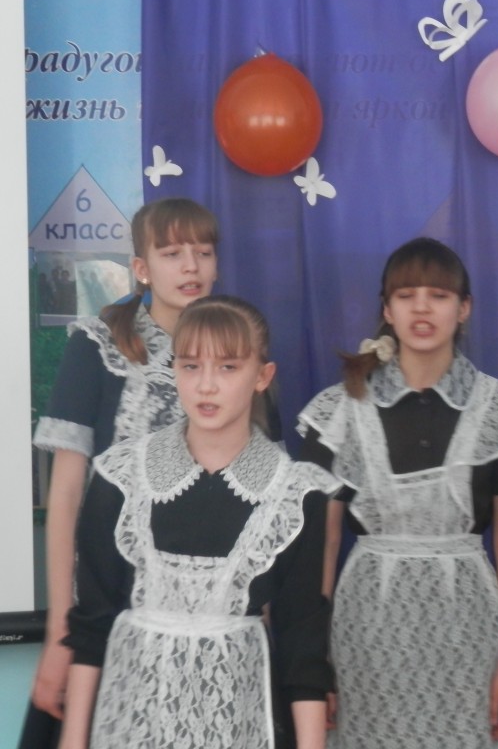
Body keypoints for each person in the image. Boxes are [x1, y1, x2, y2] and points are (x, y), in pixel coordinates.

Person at [297, 236, 498, 748]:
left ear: (464, 308)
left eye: (438, 295)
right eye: (407, 295)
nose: (422, 309)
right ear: (387, 310)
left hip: (469, 635)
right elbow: (322, 542)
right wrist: (315, 661)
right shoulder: (339, 411)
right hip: (365, 638)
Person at [57, 295, 336, 749]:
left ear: (262, 376)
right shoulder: (121, 476)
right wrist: (72, 740)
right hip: (130, 723)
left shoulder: (295, 493)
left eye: (227, 367)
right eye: (190, 366)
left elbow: (302, 643)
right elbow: (92, 623)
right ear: (174, 371)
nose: (206, 385)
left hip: (238, 724)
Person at [21, 198, 219, 749]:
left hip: (204, 605)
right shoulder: (97, 345)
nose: (191, 266)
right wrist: (61, 630)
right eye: (172, 253)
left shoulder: (234, 348)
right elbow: (65, 497)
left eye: (203, 252)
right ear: (141, 268)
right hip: (108, 597)